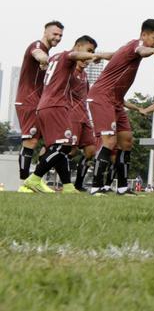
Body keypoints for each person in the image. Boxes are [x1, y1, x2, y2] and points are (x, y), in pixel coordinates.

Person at [80, 19, 154, 195]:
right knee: (109, 142)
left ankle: (122, 187)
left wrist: (98, 55)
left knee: (126, 140)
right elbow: (142, 50)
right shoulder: (137, 46)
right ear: (144, 35)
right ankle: (96, 186)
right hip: (101, 96)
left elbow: (115, 54)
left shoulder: (128, 47)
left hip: (116, 100)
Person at [23, 35, 106, 193]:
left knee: (61, 147)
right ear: (77, 46)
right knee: (63, 146)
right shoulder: (67, 56)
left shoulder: (56, 59)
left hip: (47, 106)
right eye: (88, 51)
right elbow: (74, 55)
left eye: (92, 52)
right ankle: (34, 178)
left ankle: (68, 186)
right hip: (56, 106)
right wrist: (100, 55)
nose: (89, 56)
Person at [15, 21, 63, 186]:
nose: (58, 38)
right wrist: (45, 60)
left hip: (41, 102)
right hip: (28, 100)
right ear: (45, 32)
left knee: (53, 141)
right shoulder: (37, 46)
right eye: (55, 34)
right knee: (31, 141)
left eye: (60, 35)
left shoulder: (47, 51)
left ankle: (35, 178)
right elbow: (38, 54)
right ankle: (25, 183)